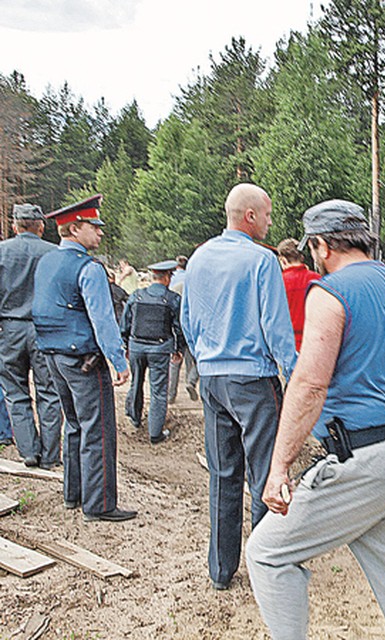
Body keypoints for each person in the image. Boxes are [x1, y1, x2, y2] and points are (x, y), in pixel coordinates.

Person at [245, 199, 385, 640]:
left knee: (267, 553)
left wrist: (278, 468)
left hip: (367, 457)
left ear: (321, 245)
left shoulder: (330, 292)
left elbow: (310, 383)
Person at [181, 183, 297, 590]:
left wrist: (206, 359)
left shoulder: (198, 258)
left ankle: (221, 570)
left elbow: (188, 320)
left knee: (222, 473)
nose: (269, 220)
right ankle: (268, 565)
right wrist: (294, 371)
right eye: (266, 214)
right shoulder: (262, 261)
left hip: (213, 378)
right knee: (268, 474)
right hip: (252, 378)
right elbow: (275, 325)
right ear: (249, 216)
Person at [32, 194, 135, 522]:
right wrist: (118, 361)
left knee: (74, 424)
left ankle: (72, 494)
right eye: (95, 226)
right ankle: (100, 505)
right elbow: (103, 319)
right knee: (99, 430)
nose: (100, 233)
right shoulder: (88, 268)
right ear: (75, 229)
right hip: (83, 359)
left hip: (53, 354)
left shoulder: (47, 261)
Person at [0, 203, 62, 468]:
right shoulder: (54, 253)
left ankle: (28, 451)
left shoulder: (2, 252)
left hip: (10, 328)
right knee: (49, 391)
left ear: (15, 226)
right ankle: (50, 456)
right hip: (44, 329)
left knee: (15, 391)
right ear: (41, 226)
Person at [120, 260, 184, 445]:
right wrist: (178, 349)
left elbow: (126, 323)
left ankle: (135, 417)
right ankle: (155, 433)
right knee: (158, 391)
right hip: (160, 348)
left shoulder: (136, 296)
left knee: (136, 382)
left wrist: (125, 345)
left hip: (137, 346)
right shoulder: (172, 299)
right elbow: (178, 327)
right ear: (166, 277)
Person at [277, 238, 321, 352]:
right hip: (315, 343)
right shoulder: (317, 279)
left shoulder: (278, 282)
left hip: (288, 346)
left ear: (283, 260)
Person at [167, 257, 198, 403]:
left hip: (177, 326)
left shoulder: (175, 285)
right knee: (193, 359)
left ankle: (171, 395)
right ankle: (190, 382)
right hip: (192, 327)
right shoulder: (195, 285)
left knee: (175, 360)